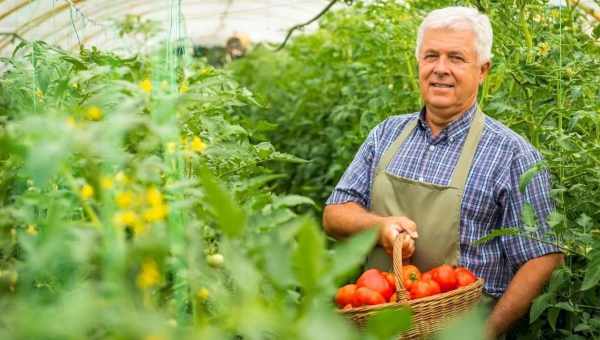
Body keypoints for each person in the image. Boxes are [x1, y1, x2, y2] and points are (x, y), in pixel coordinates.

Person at [322, 6, 563, 339]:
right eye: (431, 55)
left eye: (456, 58)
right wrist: (378, 227)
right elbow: (335, 214)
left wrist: (486, 332)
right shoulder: (386, 134)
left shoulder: (512, 155)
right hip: (381, 324)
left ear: (483, 70)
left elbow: (543, 257)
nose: (440, 69)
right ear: (419, 62)